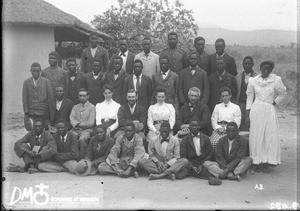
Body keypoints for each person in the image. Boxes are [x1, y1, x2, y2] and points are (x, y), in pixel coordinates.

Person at [246, 60, 287, 173]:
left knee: (268, 135)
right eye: (264, 68)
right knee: (256, 135)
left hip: (269, 110)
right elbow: (249, 97)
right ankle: (256, 161)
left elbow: (283, 93)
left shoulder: (276, 80)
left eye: (268, 69)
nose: (266, 70)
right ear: (260, 68)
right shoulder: (253, 80)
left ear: (271, 70)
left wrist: (274, 103)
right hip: (256, 109)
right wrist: (247, 112)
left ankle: (267, 161)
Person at [210, 87, 241, 153]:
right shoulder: (217, 106)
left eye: (226, 95)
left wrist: (226, 129)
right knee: (213, 142)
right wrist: (218, 128)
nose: (225, 98)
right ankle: (216, 159)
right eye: (223, 96)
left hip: (231, 129)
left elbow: (237, 122)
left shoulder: (236, 107)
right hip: (219, 129)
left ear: (230, 95)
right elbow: (213, 120)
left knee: (226, 143)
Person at [70, 88, 96, 160]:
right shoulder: (75, 107)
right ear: (78, 96)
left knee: (82, 139)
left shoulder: (92, 107)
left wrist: (82, 125)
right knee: (70, 136)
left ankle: (82, 158)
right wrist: (77, 125)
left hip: (87, 130)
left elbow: (91, 122)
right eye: (80, 96)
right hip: (76, 129)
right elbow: (72, 118)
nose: (82, 97)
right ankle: (72, 156)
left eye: (84, 96)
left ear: (88, 96)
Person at [235, 56, 258, 131]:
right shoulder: (238, 78)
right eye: (245, 64)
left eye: (249, 64)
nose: (247, 65)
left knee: (252, 124)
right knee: (241, 124)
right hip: (241, 104)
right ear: (243, 65)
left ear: (252, 64)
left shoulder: (258, 78)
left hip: (253, 105)